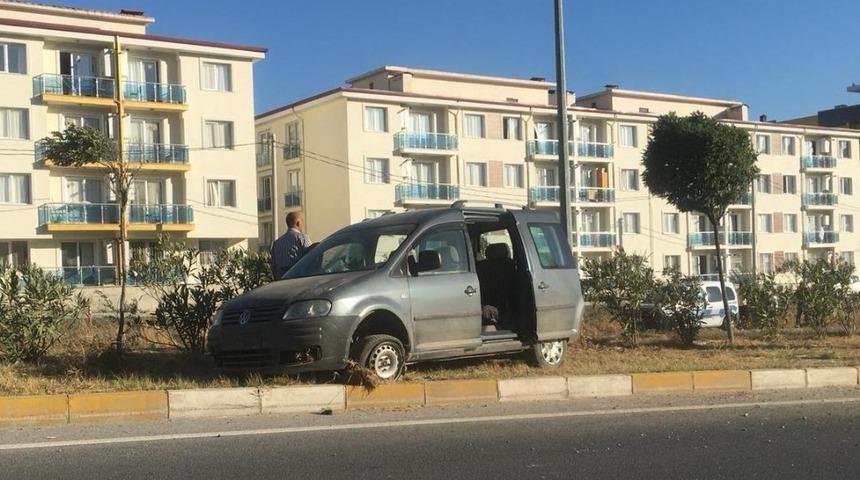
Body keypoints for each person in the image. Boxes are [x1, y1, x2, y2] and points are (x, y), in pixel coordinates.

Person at [271, 211, 311, 279]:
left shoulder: (276, 243)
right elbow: (311, 258)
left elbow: (274, 267)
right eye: (302, 222)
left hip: (282, 280)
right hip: (299, 279)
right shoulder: (303, 238)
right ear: (298, 223)